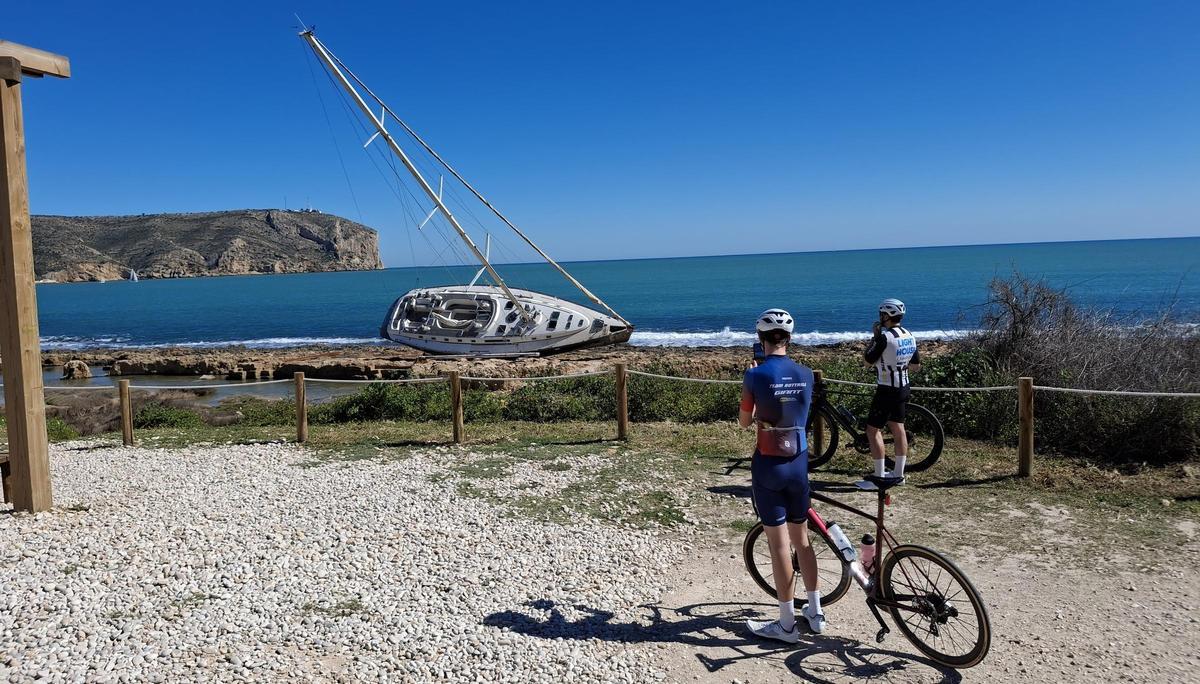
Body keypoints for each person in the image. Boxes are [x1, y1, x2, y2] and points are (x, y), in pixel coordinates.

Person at [740, 308, 825, 642]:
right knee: (803, 540)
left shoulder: (755, 375)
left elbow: (745, 421)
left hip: (769, 464)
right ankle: (815, 614)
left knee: (779, 547)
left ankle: (787, 625)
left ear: (761, 340)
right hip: (799, 464)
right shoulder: (805, 373)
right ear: (789, 339)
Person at [859, 298, 921, 488]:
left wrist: (875, 337)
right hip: (904, 386)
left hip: (886, 389)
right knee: (898, 427)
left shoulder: (884, 338)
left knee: (872, 430)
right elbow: (916, 365)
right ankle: (899, 475)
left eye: (881, 315)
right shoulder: (909, 334)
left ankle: (879, 477)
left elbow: (867, 361)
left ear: (886, 316)